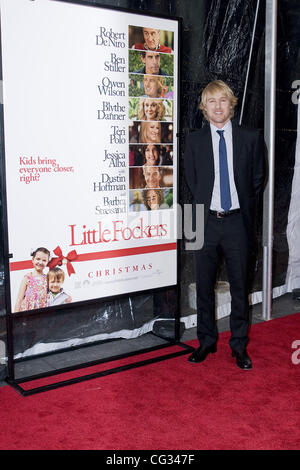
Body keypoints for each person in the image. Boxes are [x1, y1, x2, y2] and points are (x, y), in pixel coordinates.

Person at [184, 80, 266, 370]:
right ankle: (205, 341)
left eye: (222, 100)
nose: (217, 107)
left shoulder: (251, 137)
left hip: (237, 222)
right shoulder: (193, 141)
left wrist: (242, 213)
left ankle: (239, 346)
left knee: (240, 287)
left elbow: (257, 181)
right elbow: (190, 184)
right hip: (200, 220)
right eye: (211, 102)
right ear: (204, 109)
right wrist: (192, 226)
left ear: (231, 104)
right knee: (203, 285)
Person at [14, 247, 50, 312]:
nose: (40, 262)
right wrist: (15, 318)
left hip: (42, 313)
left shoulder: (48, 278)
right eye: (38, 259)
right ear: (33, 259)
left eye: (44, 260)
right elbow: (19, 300)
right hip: (27, 314)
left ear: (47, 262)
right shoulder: (27, 278)